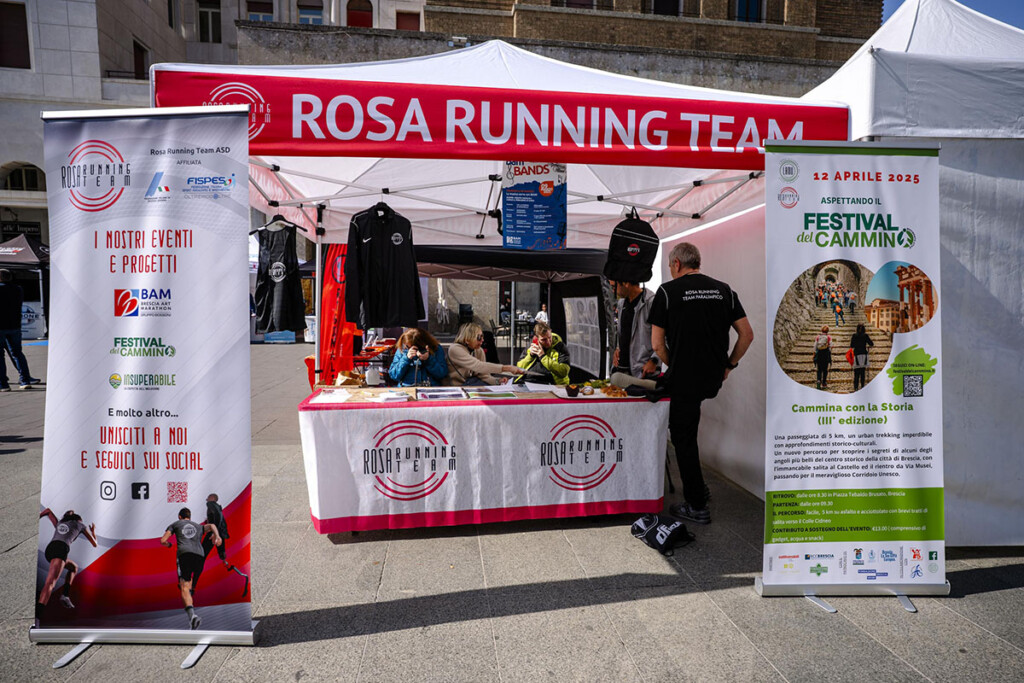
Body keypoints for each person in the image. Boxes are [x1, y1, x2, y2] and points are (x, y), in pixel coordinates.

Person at [650, 242, 753, 525]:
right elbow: (747, 334)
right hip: (711, 378)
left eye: (671, 266)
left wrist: (676, 363)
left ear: (676, 265)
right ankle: (699, 489)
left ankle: (696, 504)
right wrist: (728, 365)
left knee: (683, 437)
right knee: (690, 430)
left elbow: (657, 346)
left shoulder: (667, 292)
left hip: (684, 378)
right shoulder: (724, 290)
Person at [161, 507, 221, 630]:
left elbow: (163, 540)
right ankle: (191, 599)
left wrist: (169, 545)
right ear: (190, 517)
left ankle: (192, 616)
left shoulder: (175, 524)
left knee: (183, 586)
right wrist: (217, 536)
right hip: (200, 555)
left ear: (179, 516)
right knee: (189, 584)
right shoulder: (198, 526)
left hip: (185, 554)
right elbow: (212, 525)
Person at [36, 508, 97, 624]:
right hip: (61, 549)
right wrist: (93, 532)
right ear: (79, 519)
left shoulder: (60, 523)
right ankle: (38, 617)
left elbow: (48, 511)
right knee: (50, 583)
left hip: (50, 550)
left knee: (74, 567)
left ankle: (65, 595)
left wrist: (39, 516)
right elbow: (95, 544)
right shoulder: (81, 525)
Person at [200, 493, 249, 597]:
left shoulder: (211, 504)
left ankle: (191, 580)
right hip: (219, 533)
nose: (206, 498)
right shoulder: (216, 506)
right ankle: (235, 575)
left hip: (214, 533)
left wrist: (214, 533)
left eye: (208, 497)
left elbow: (217, 516)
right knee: (222, 556)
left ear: (213, 498)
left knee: (201, 554)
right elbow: (217, 517)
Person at [0, 269, 41, 391]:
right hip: (15, 325)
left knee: (0, 356)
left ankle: (3, 384)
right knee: (18, 353)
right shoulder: (18, 289)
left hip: (1, 326)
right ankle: (25, 380)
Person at [610, 280, 659, 379]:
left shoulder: (651, 302)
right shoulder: (621, 303)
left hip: (643, 374)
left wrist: (654, 360)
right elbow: (623, 332)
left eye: (614, 287)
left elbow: (665, 337)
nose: (612, 291)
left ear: (626, 283)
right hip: (621, 371)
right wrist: (618, 348)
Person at [447, 322, 523, 386]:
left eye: (482, 337)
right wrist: (507, 368)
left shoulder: (478, 350)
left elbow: (484, 375)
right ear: (467, 339)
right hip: (457, 387)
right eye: (479, 337)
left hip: (471, 386)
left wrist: (497, 381)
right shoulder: (455, 349)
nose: (482, 340)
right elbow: (478, 366)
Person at [516, 321, 571, 385]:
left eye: (549, 337)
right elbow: (519, 367)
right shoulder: (532, 345)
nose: (548, 342)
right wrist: (530, 356)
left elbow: (563, 372)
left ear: (551, 332)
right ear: (537, 338)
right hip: (528, 381)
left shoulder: (560, 347)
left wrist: (543, 356)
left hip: (550, 383)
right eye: (543, 340)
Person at [850, 324, 874, 391]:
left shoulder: (854, 335)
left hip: (856, 354)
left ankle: (856, 387)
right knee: (862, 372)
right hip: (863, 355)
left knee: (856, 372)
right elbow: (871, 344)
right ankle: (862, 386)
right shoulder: (865, 335)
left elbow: (851, 345)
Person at [813, 325, 832, 390]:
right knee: (825, 369)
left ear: (821, 330)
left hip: (819, 355)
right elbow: (831, 345)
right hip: (826, 355)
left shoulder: (818, 337)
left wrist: (814, 354)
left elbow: (815, 346)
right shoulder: (829, 337)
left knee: (819, 369)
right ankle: (824, 383)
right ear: (827, 331)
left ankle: (818, 380)